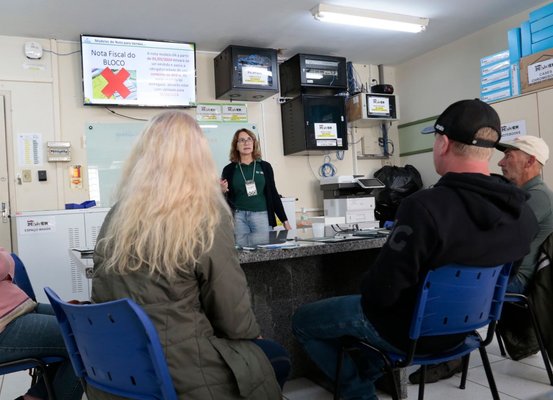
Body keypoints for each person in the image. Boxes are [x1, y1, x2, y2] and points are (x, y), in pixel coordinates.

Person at [291, 99, 538, 400]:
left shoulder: (423, 208)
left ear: (443, 143)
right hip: (466, 332)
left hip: (407, 333)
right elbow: (504, 277)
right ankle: (366, 375)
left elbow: (381, 292)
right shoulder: (522, 213)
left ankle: (358, 391)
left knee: (303, 321)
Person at [91, 111, 289, 400]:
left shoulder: (118, 213)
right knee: (273, 355)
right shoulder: (204, 215)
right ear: (198, 157)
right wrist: (251, 335)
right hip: (180, 367)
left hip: (119, 363)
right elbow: (232, 314)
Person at [0, 248, 83, 400]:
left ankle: (35, 397)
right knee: (84, 339)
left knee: (84, 323)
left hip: (19, 308)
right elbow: (3, 264)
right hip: (6, 323)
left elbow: (8, 259)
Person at [497, 135, 553, 293]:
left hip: (514, 279)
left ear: (529, 162)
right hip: (504, 273)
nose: (500, 163)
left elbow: (498, 237)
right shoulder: (522, 195)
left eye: (508, 156)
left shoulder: (539, 196)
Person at [221, 128, 291, 238]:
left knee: (263, 252)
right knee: (243, 252)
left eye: (249, 139)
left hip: (261, 215)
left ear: (254, 143)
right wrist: (223, 191)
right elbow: (225, 198)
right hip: (238, 217)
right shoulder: (229, 169)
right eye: (242, 140)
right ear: (236, 145)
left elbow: (273, 193)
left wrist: (284, 220)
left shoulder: (265, 166)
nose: (246, 143)